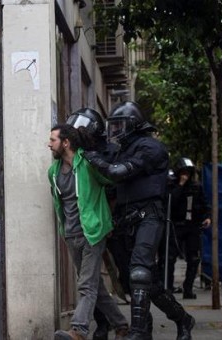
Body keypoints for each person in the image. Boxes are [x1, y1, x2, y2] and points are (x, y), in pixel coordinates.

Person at [83, 101, 194, 340]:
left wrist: (91, 158)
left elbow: (117, 172)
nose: (116, 131)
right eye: (113, 126)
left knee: (139, 274)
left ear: (134, 125)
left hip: (149, 215)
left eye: (121, 125)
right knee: (142, 283)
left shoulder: (151, 147)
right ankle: (182, 320)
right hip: (125, 219)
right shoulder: (121, 149)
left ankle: (138, 331)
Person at [48, 124, 123, 340]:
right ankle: (121, 324)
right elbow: (60, 204)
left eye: (53, 140)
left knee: (86, 284)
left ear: (66, 143)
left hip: (92, 232)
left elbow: (111, 181)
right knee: (95, 285)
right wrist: (64, 229)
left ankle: (79, 330)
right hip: (71, 235)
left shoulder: (88, 163)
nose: (48, 144)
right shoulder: (53, 172)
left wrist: (105, 217)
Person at [66, 108, 130, 340]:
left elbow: (115, 186)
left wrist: (111, 220)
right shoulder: (78, 156)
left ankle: (80, 328)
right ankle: (112, 324)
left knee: (124, 274)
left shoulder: (111, 152)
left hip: (110, 223)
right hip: (86, 226)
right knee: (92, 282)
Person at [161, 157, 211, 299]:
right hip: (176, 226)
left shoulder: (196, 187)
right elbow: (170, 202)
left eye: (188, 173)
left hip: (192, 226)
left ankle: (188, 288)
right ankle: (168, 288)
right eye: (183, 173)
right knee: (170, 258)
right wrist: (180, 185)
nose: (186, 176)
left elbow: (205, 204)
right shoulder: (172, 186)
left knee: (194, 258)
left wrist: (207, 217)